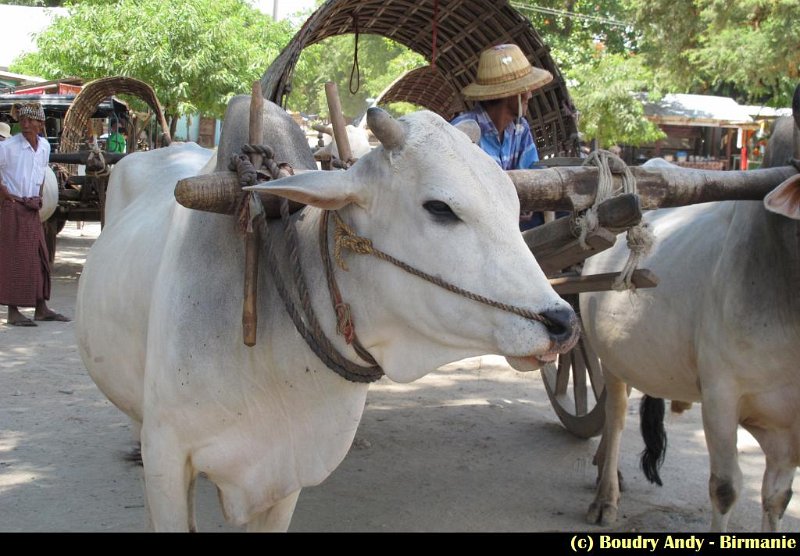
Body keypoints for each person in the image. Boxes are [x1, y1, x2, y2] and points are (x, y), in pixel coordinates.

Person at [451, 43, 559, 230]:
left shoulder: (520, 128)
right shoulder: (463, 130)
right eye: (526, 90)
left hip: (511, 219)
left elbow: (532, 173)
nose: (530, 96)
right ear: (511, 95)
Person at [0, 102, 70, 326]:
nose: (25, 124)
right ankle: (13, 312)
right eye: (22, 120)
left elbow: (39, 173)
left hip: (32, 208)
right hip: (13, 207)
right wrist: (3, 191)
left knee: (40, 258)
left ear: (41, 123)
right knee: (15, 260)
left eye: (30, 120)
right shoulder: (8, 147)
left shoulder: (45, 147)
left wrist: (38, 195)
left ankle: (41, 308)